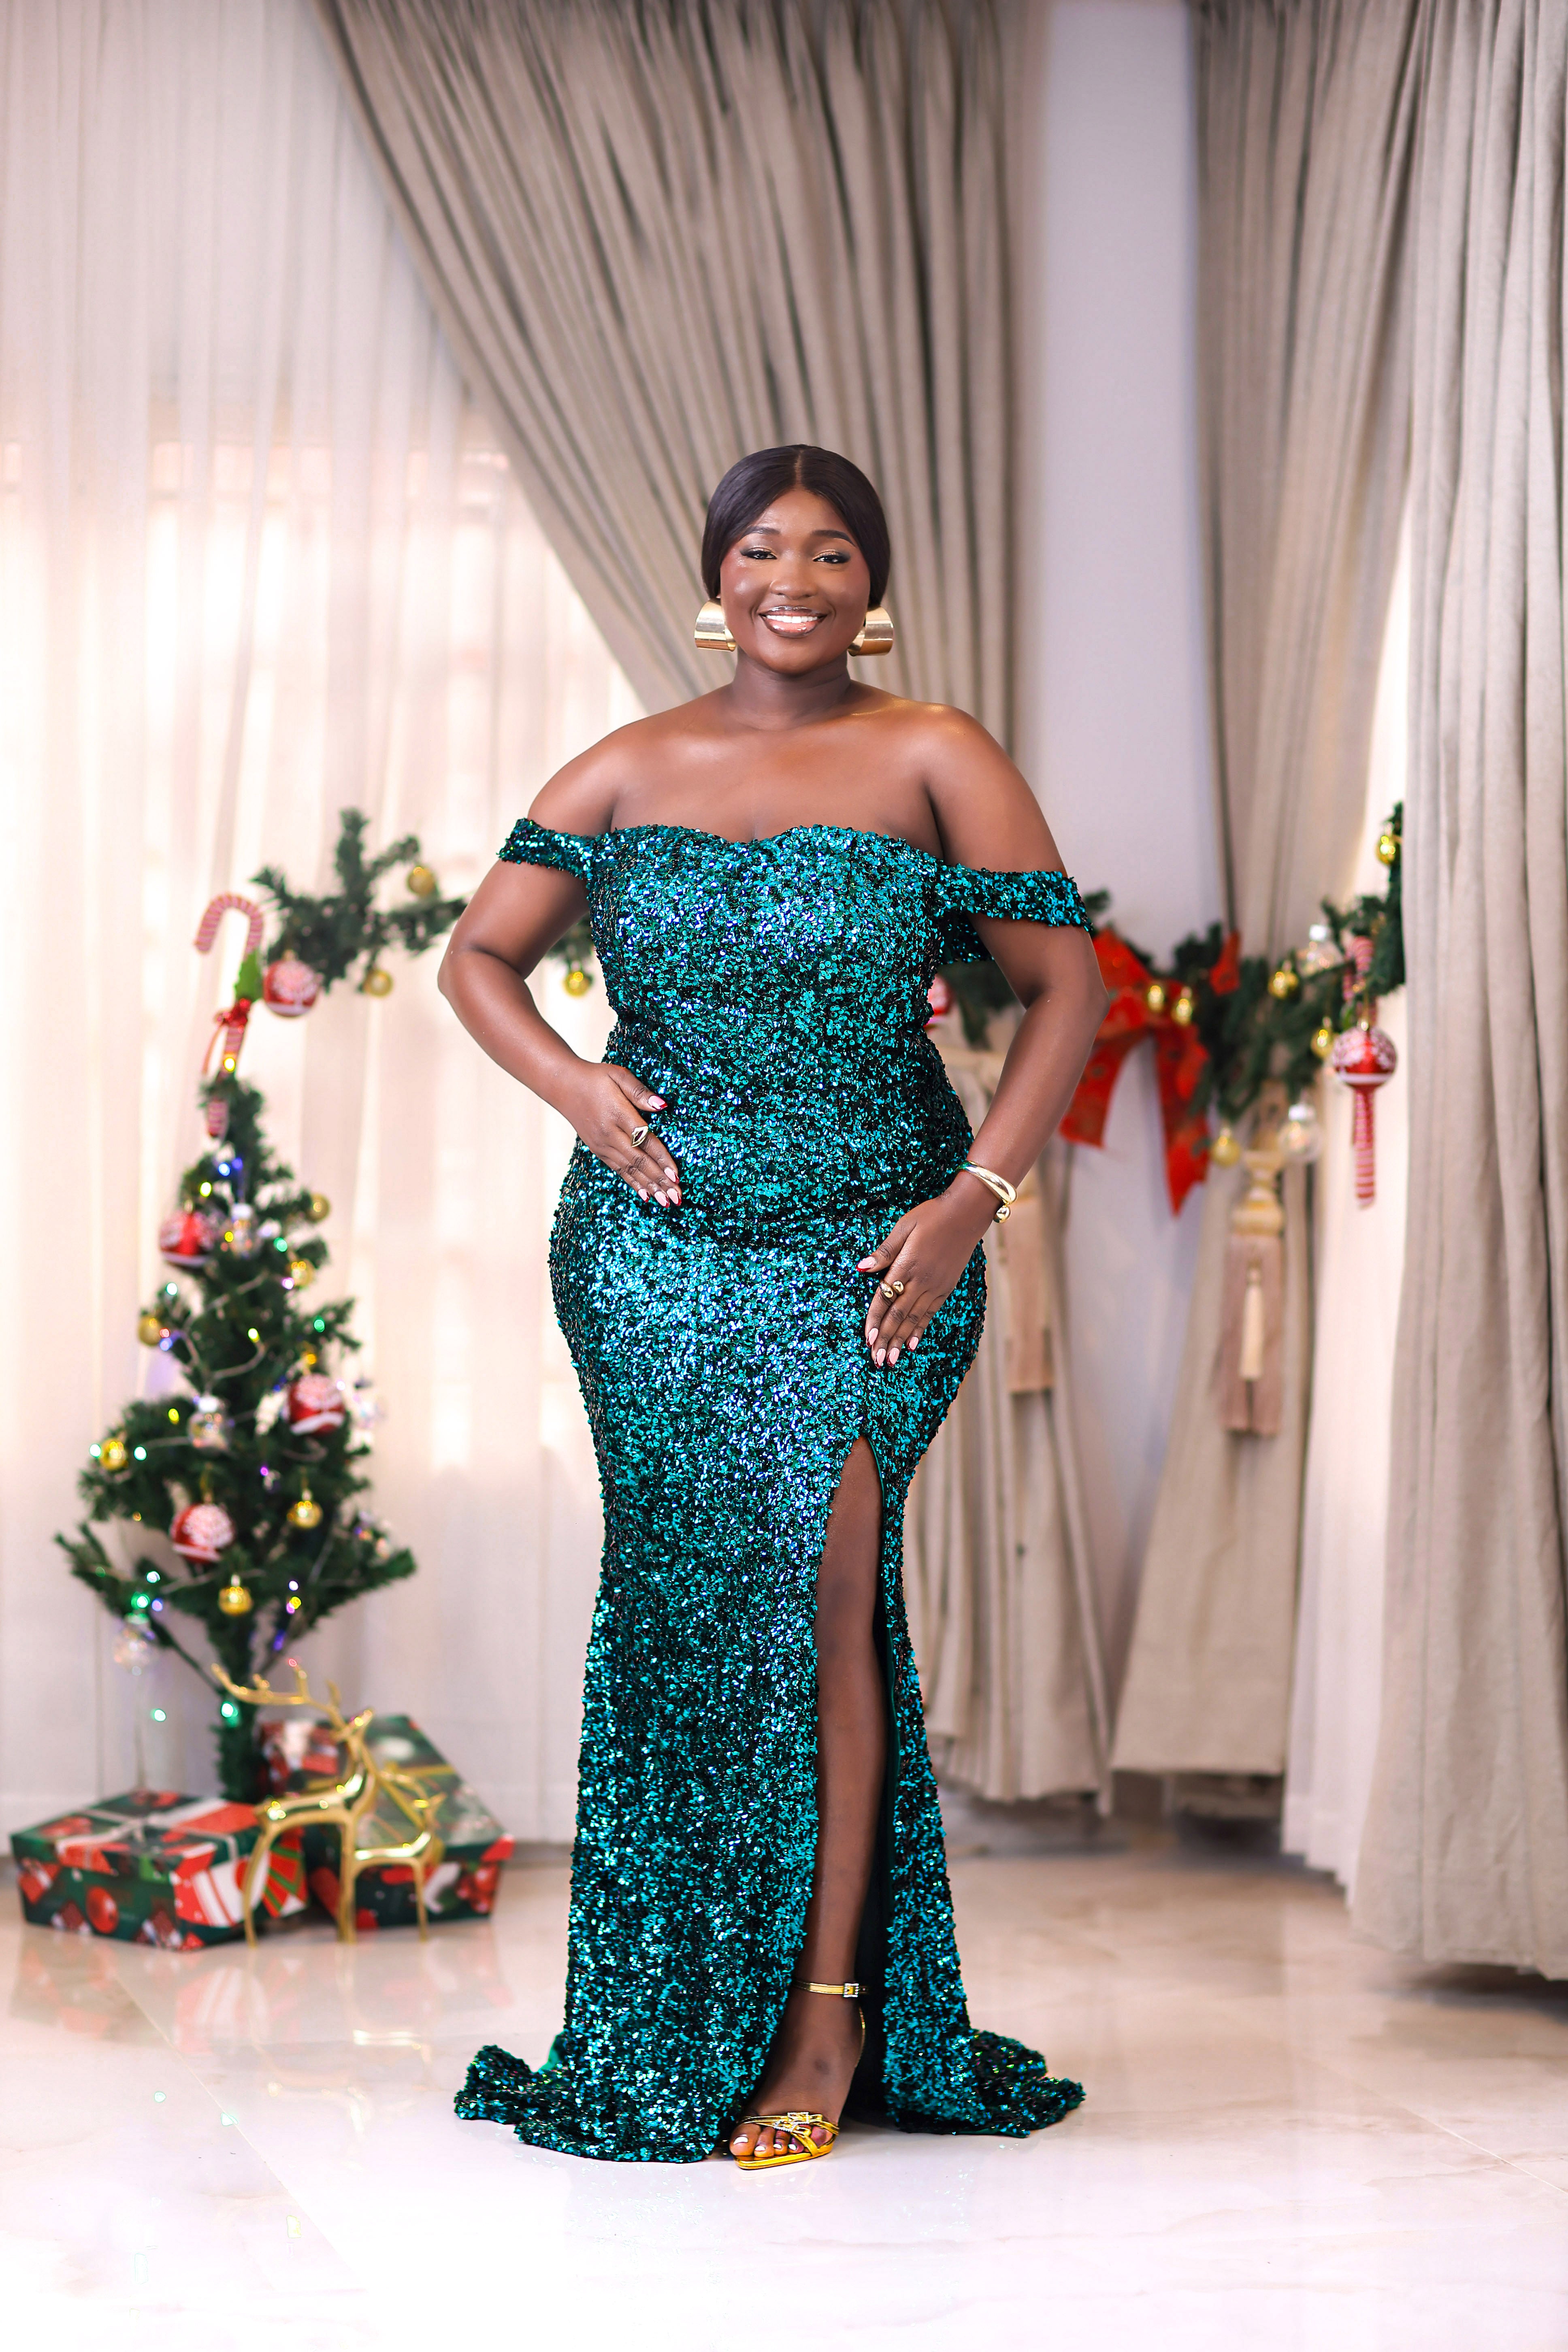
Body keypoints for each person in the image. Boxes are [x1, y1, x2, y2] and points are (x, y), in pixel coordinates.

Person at [439, 445, 1106, 2168]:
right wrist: (576, 1089)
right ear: (714, 572)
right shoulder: (622, 765)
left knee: (824, 1599)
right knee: (682, 1615)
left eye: (826, 553)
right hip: (651, 1252)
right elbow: (476, 957)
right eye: (758, 550)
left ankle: (826, 2016)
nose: (790, 581)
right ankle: (670, 2013)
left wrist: (975, 1200)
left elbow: (1065, 988)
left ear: (869, 585)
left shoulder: (936, 753)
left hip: (874, 1247)